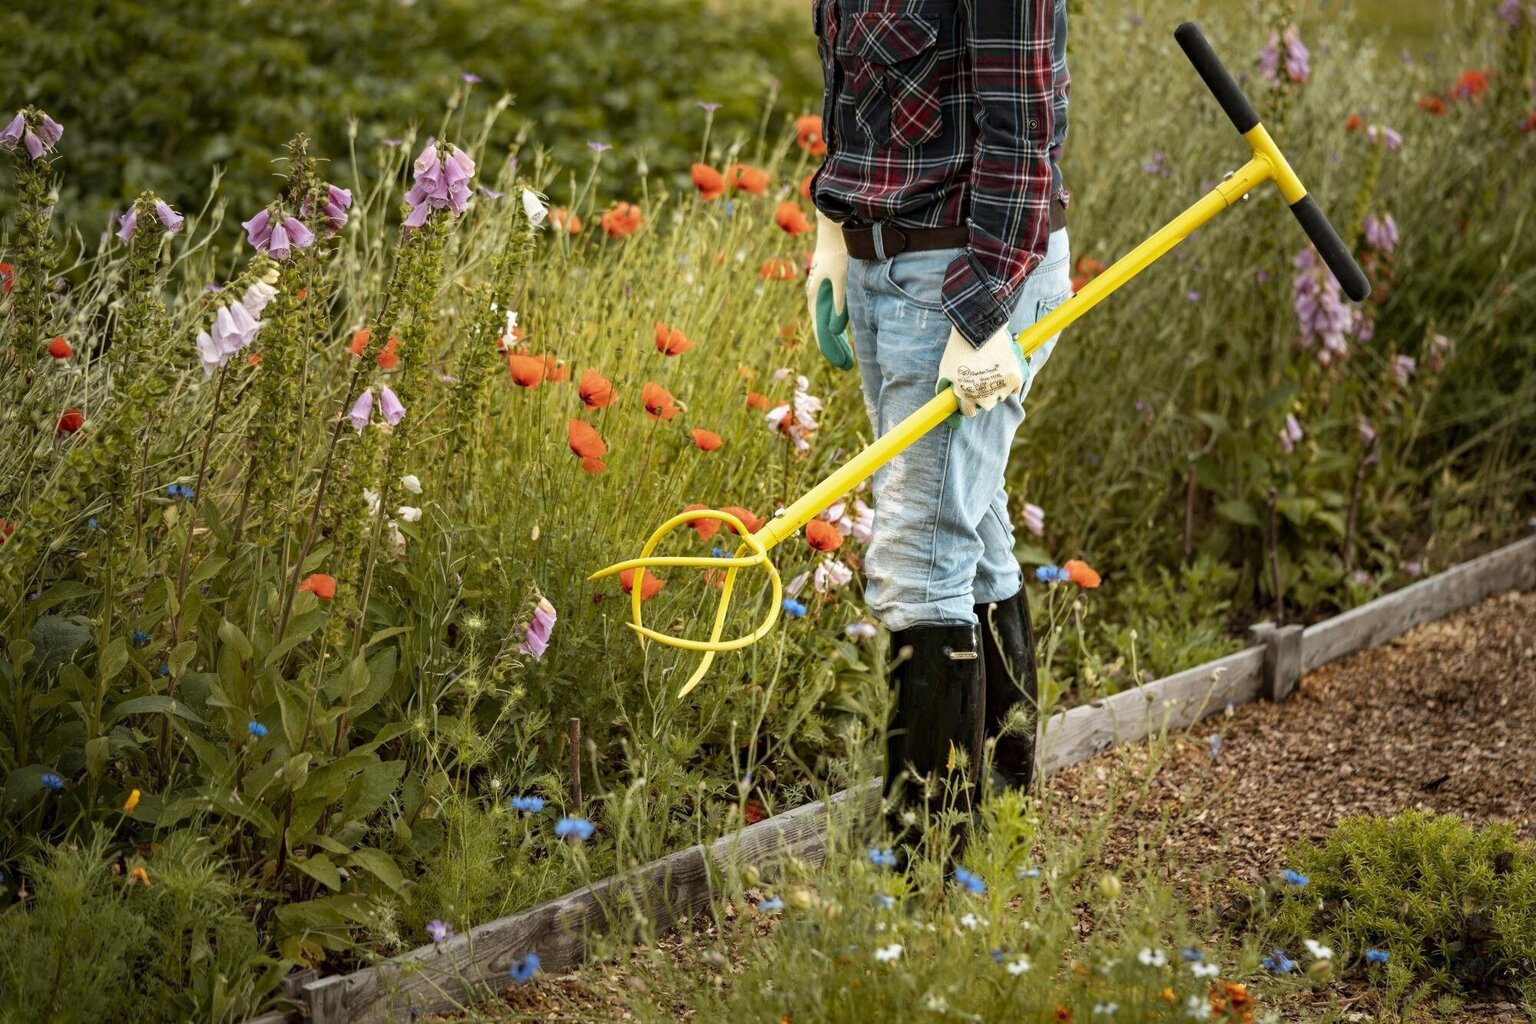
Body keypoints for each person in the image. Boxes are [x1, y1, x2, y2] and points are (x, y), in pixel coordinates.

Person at [805, 0, 1071, 862]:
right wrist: (835, 238)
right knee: (971, 518)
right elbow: (851, 99)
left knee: (919, 553)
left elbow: (1025, 138)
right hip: (885, 261)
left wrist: (983, 308)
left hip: (969, 266)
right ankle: (1002, 796)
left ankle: (925, 867)